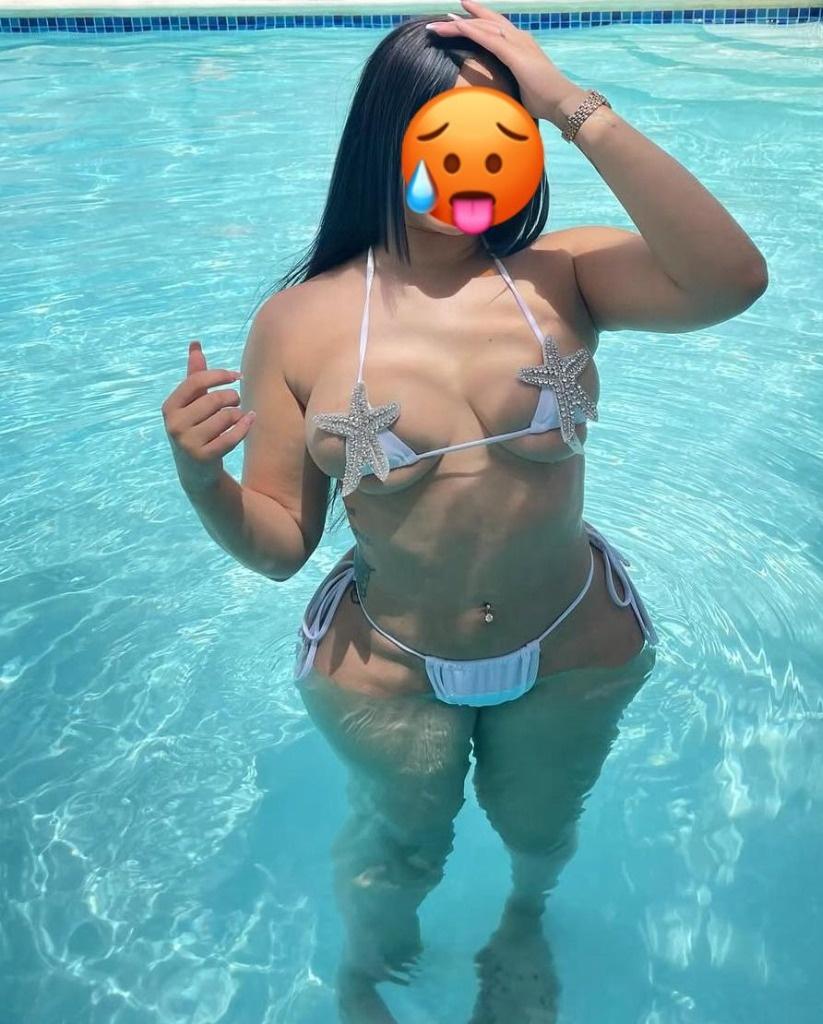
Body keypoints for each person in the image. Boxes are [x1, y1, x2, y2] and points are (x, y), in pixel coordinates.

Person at [162, 3, 768, 1020]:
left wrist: (567, 103)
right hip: (390, 665)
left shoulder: (563, 277)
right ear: (385, 142)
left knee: (541, 831)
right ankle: (365, 974)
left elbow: (731, 279)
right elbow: (280, 546)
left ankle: (522, 925)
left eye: (503, 134)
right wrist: (199, 481)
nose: (473, 167)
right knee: (400, 847)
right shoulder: (301, 321)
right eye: (445, 138)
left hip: (572, 641)